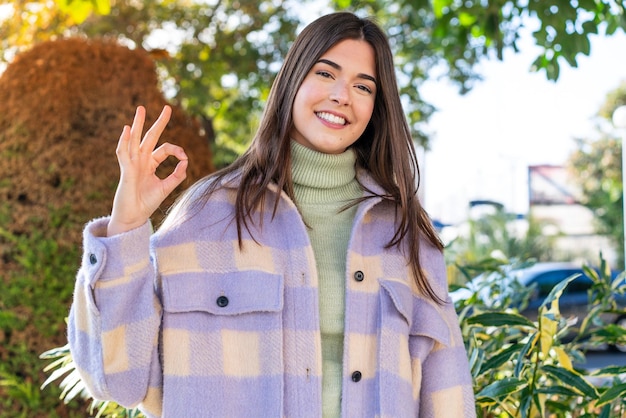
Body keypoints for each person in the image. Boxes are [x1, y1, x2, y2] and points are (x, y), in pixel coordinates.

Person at [68, 11, 476, 418]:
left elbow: (448, 395)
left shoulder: (406, 234)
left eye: (363, 86)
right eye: (325, 73)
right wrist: (125, 226)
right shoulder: (210, 214)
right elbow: (118, 379)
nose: (342, 95)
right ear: (292, 80)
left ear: (377, 105)